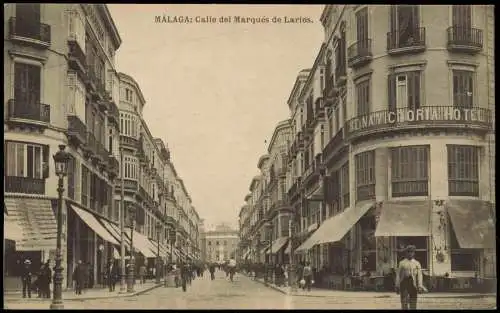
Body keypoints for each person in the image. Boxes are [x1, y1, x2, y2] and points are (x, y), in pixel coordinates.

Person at [396, 245, 425, 310]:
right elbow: (398, 275)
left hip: (413, 284)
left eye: (412, 252)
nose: (410, 254)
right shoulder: (402, 263)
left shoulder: (417, 263)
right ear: (406, 253)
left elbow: (420, 275)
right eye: (408, 252)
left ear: (414, 253)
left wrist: (420, 286)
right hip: (404, 283)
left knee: (413, 302)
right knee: (404, 303)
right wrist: (397, 286)